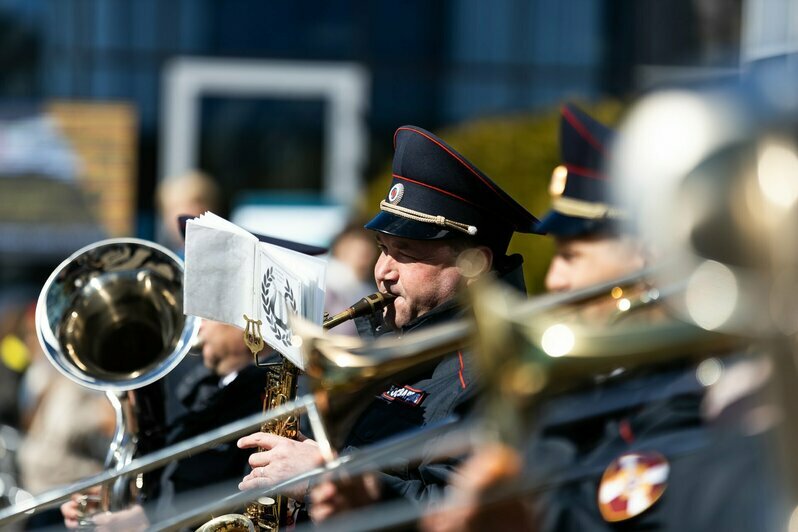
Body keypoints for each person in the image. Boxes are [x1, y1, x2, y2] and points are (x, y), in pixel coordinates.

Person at [236, 125, 541, 524]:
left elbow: (460, 515)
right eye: (383, 249)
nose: (383, 272)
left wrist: (323, 478)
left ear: (475, 265)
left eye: (406, 253)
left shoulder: (497, 371)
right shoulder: (385, 340)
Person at [60, 318, 267, 530]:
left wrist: (148, 520)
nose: (197, 325)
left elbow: (236, 495)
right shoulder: (198, 387)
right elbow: (171, 480)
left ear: (249, 322)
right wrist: (113, 497)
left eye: (207, 315)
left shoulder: (268, 394)